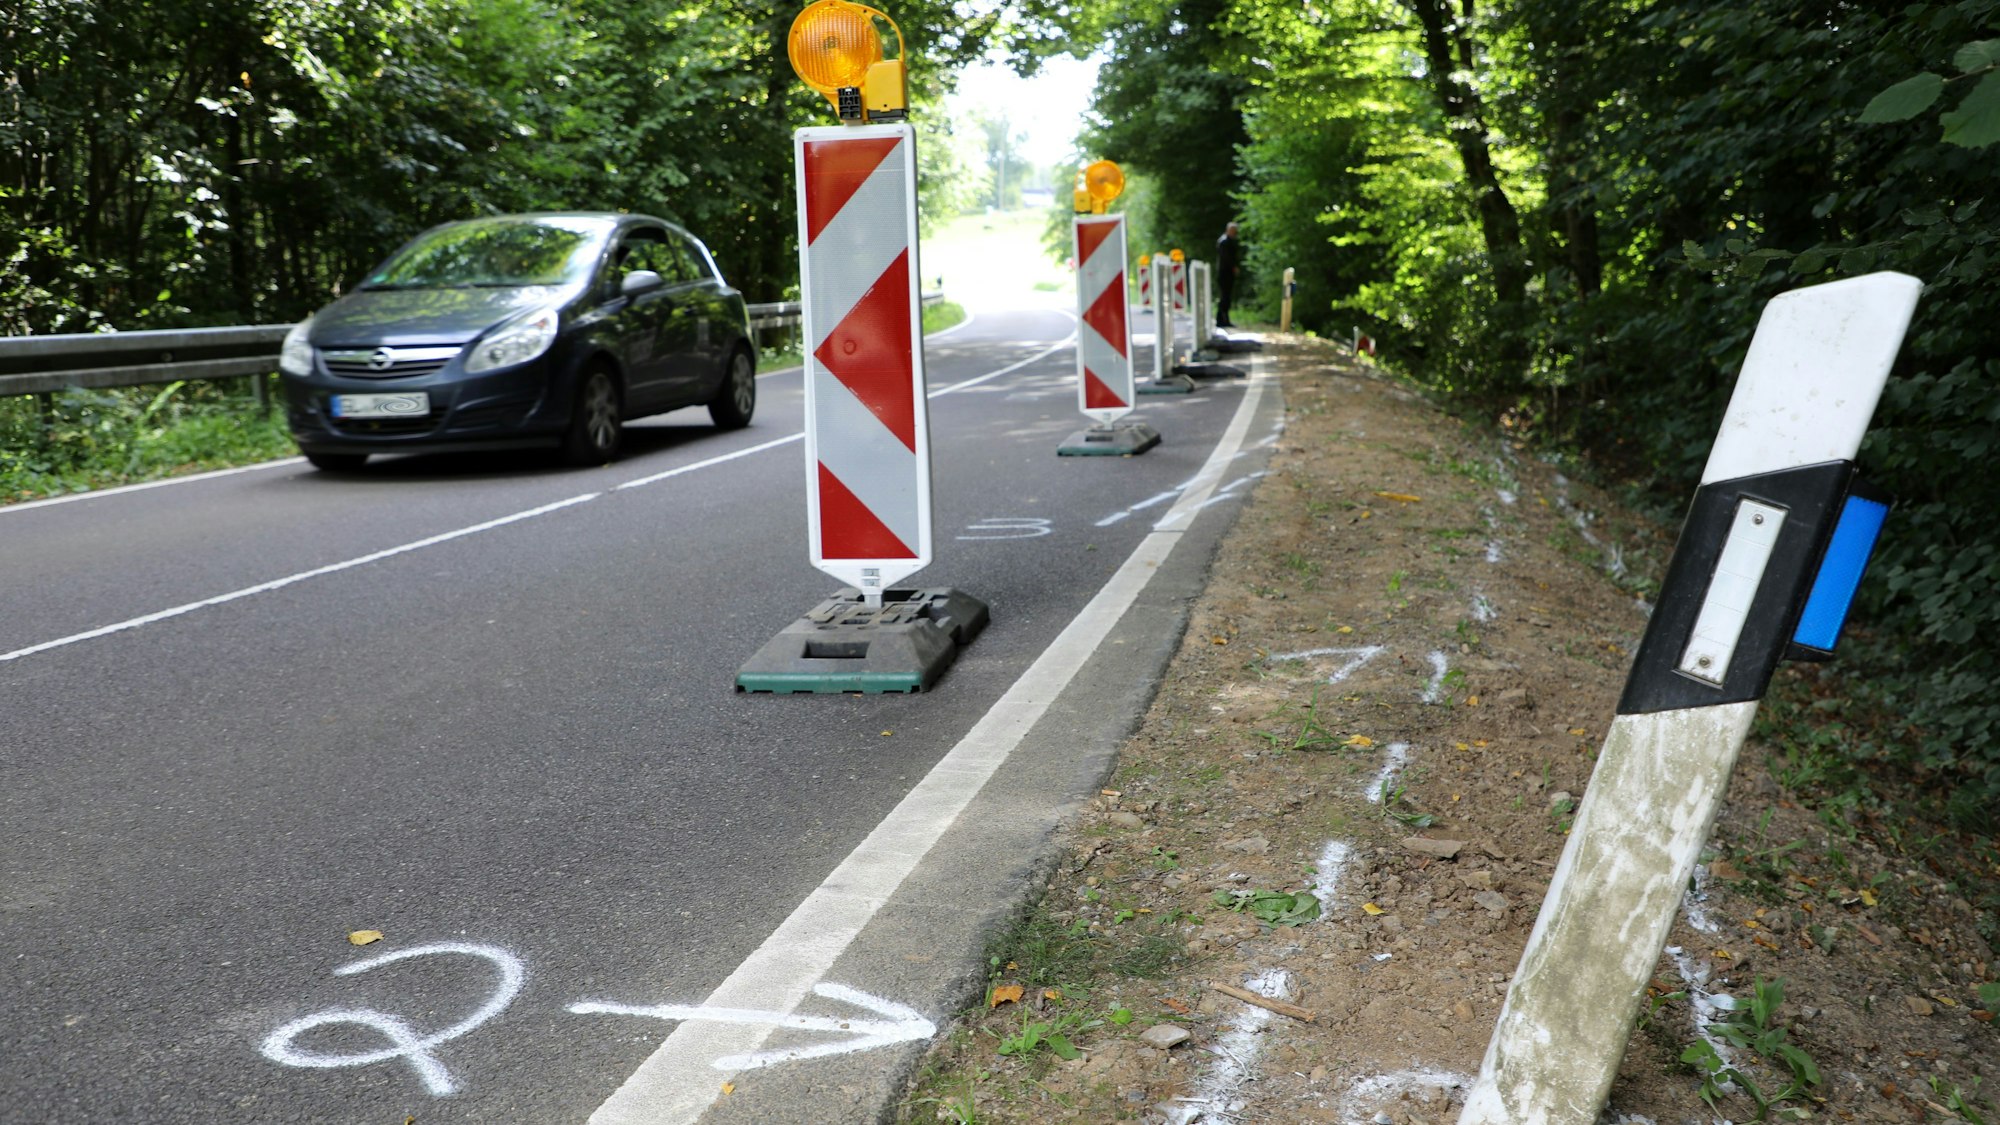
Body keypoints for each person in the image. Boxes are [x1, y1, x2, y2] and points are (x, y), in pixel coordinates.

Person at [1215, 221, 1242, 327]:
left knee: (1226, 296)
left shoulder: (1227, 241)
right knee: (1224, 297)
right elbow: (1226, 258)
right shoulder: (1224, 242)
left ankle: (1223, 319)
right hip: (1224, 273)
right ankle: (1222, 319)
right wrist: (1233, 267)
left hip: (1226, 272)